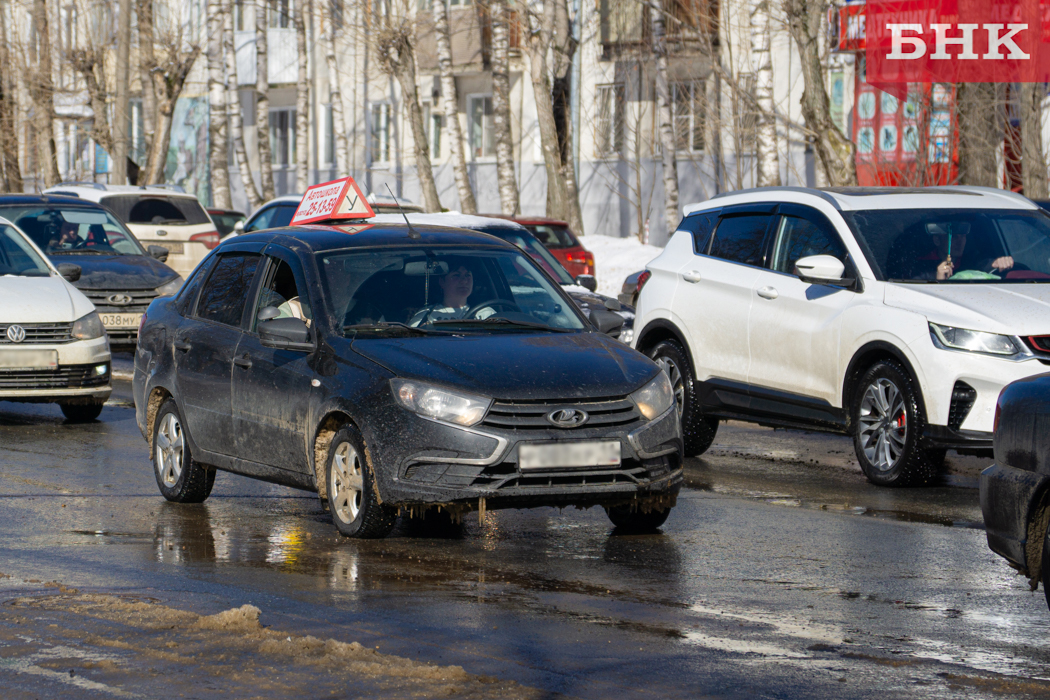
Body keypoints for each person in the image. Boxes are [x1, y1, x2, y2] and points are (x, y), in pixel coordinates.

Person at [409, 259, 493, 326]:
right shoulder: (427, 315)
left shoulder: (486, 314)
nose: (464, 281)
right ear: (442, 282)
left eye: (467, 275)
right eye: (456, 275)